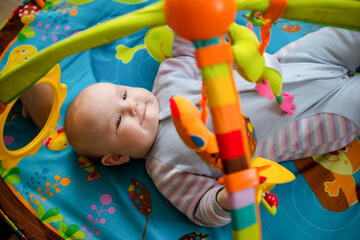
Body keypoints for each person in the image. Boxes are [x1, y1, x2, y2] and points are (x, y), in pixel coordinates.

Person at [23, 26, 360, 227]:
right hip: (316, 120)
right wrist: (227, 199)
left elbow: (188, 45)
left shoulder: (167, 80)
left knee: (345, 32)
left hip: (293, 63)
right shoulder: (166, 169)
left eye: (123, 94)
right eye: (118, 119)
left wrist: (186, 22)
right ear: (114, 158)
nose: (131, 104)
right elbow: (202, 210)